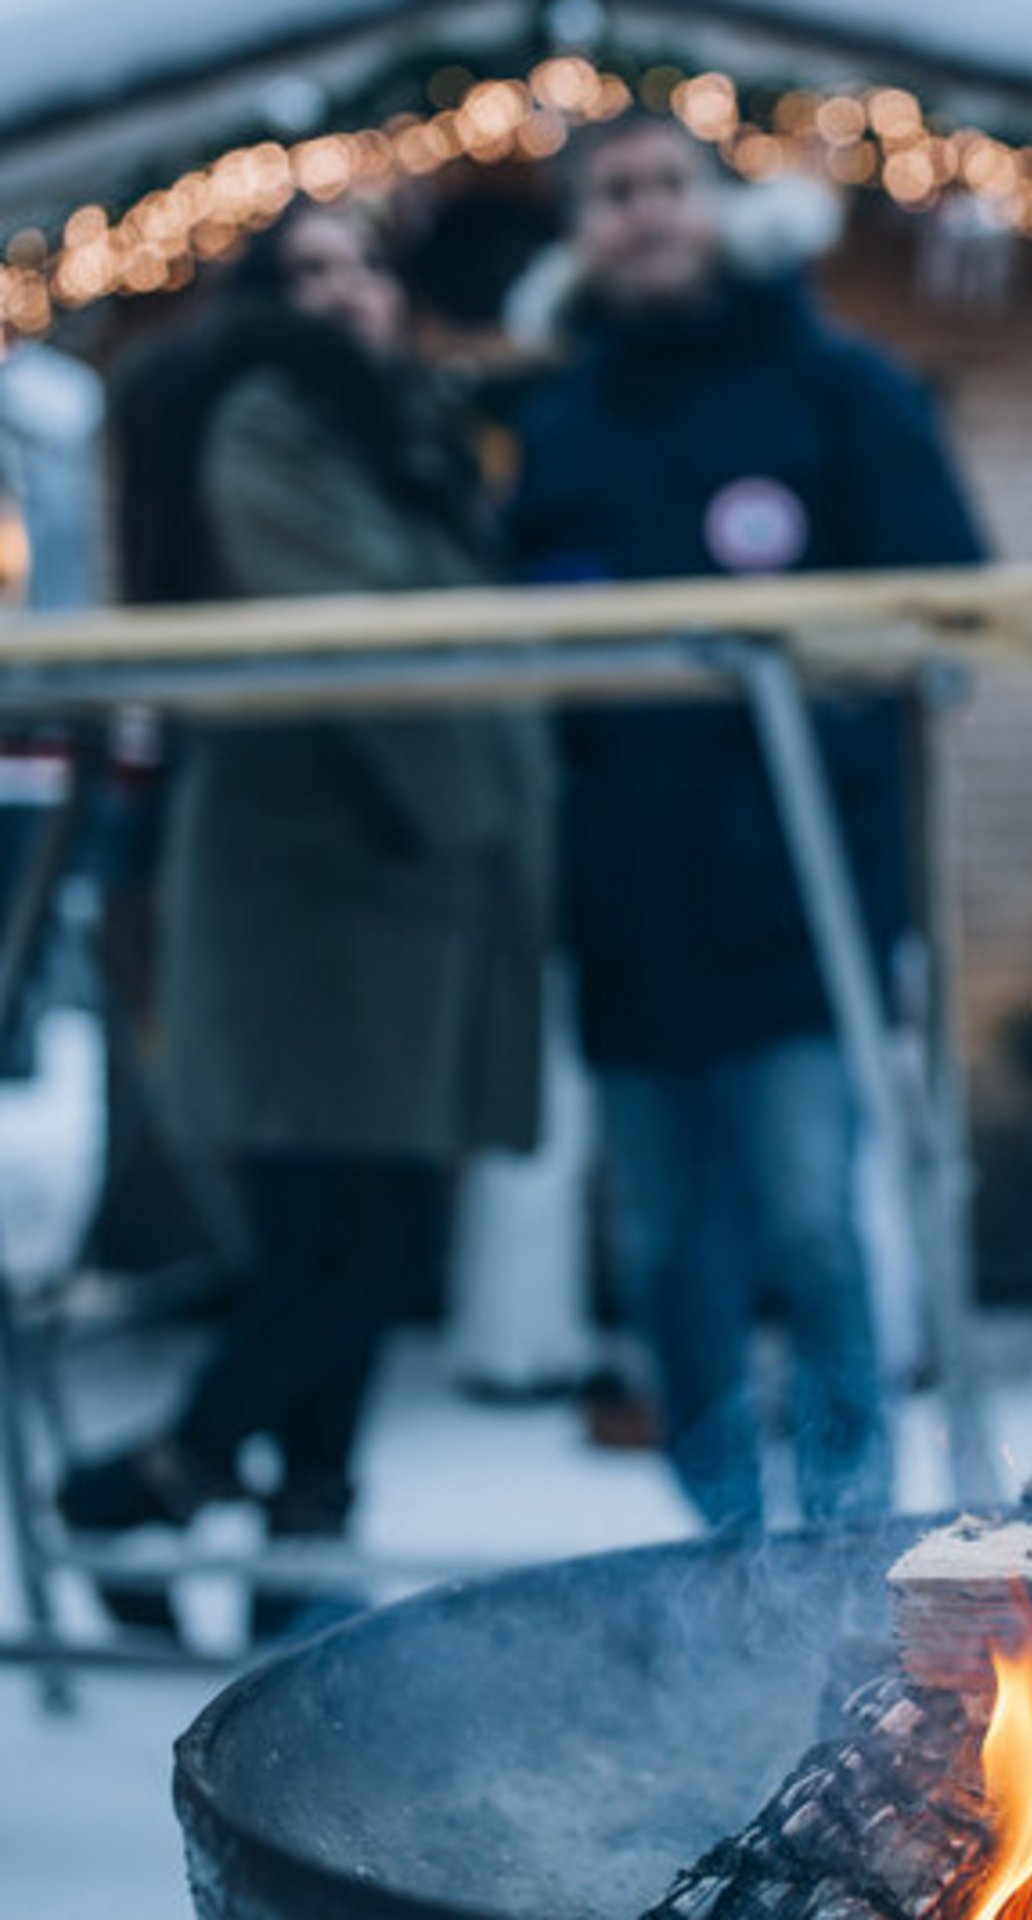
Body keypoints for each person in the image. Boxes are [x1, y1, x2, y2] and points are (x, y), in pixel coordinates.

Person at [59, 201, 553, 1574]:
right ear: (267, 300)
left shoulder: (402, 433)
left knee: (370, 1228)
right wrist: (484, 814)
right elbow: (371, 632)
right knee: (349, 1240)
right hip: (315, 884)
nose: (344, 293)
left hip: (393, 882)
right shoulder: (273, 421)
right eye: (309, 271)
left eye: (364, 269)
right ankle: (157, 1480)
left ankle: (303, 1542)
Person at [512, 114, 984, 1531]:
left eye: (669, 186)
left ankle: (848, 1547)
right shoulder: (560, 423)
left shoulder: (837, 388)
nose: (644, 214)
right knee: (667, 1254)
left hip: (803, 896)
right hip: (627, 907)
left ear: (721, 208)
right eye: (612, 195)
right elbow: (525, 649)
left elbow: (944, 599)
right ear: (582, 232)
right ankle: (723, 1547)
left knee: (810, 1229)